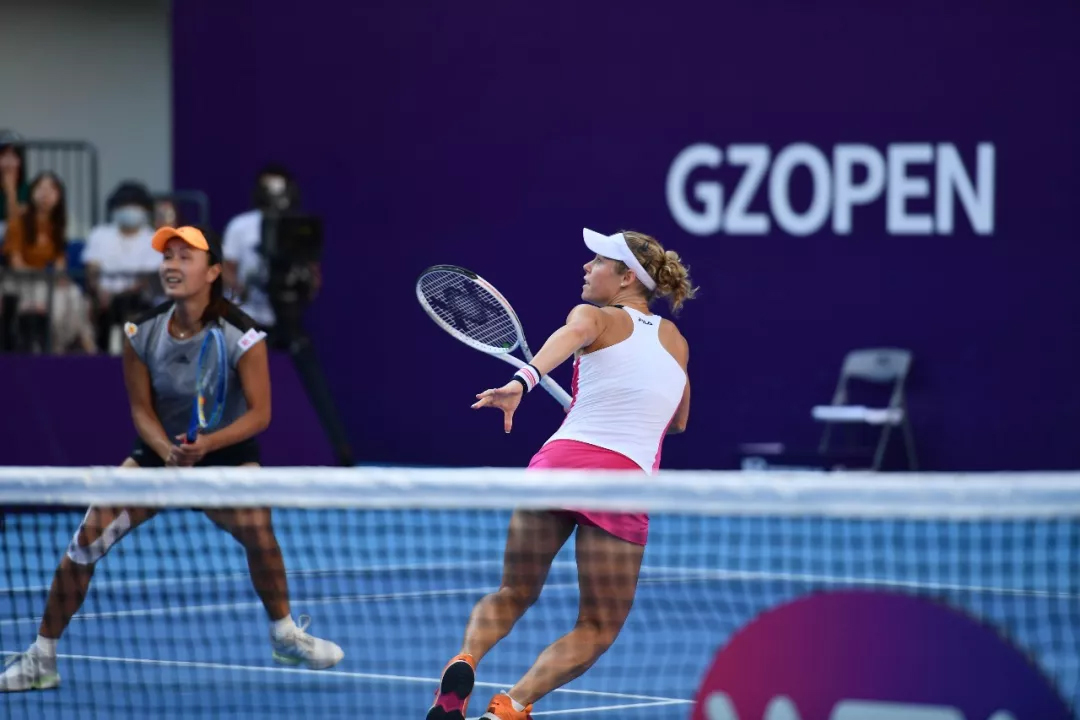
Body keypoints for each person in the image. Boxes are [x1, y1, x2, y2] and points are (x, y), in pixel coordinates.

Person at [0, 225, 344, 693]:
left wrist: (206, 446)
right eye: (168, 256)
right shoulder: (141, 331)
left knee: (259, 533)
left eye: (185, 256)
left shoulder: (243, 335)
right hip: (158, 453)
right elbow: (141, 410)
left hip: (225, 455)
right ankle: (41, 658)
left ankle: (284, 635)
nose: (172, 265)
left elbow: (260, 414)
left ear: (213, 272)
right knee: (85, 543)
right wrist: (168, 452)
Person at [428, 228, 697, 720]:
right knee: (597, 626)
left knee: (512, 592)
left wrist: (521, 382)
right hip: (622, 483)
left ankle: (464, 661)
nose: (586, 268)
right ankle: (509, 707)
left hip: (558, 464)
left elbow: (572, 336)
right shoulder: (676, 341)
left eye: (598, 262)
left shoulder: (592, 316)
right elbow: (676, 421)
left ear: (625, 278)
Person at [1, 171, 96, 353]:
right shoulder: (18, 221)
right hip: (20, 280)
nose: (45, 193)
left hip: (46, 280)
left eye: (52, 189)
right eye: (41, 188)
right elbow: (16, 264)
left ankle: (84, 346)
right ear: (32, 193)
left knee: (74, 295)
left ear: (59, 197)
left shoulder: (57, 224)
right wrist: (48, 278)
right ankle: (55, 349)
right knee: (54, 300)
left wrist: (60, 278)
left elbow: (60, 261)